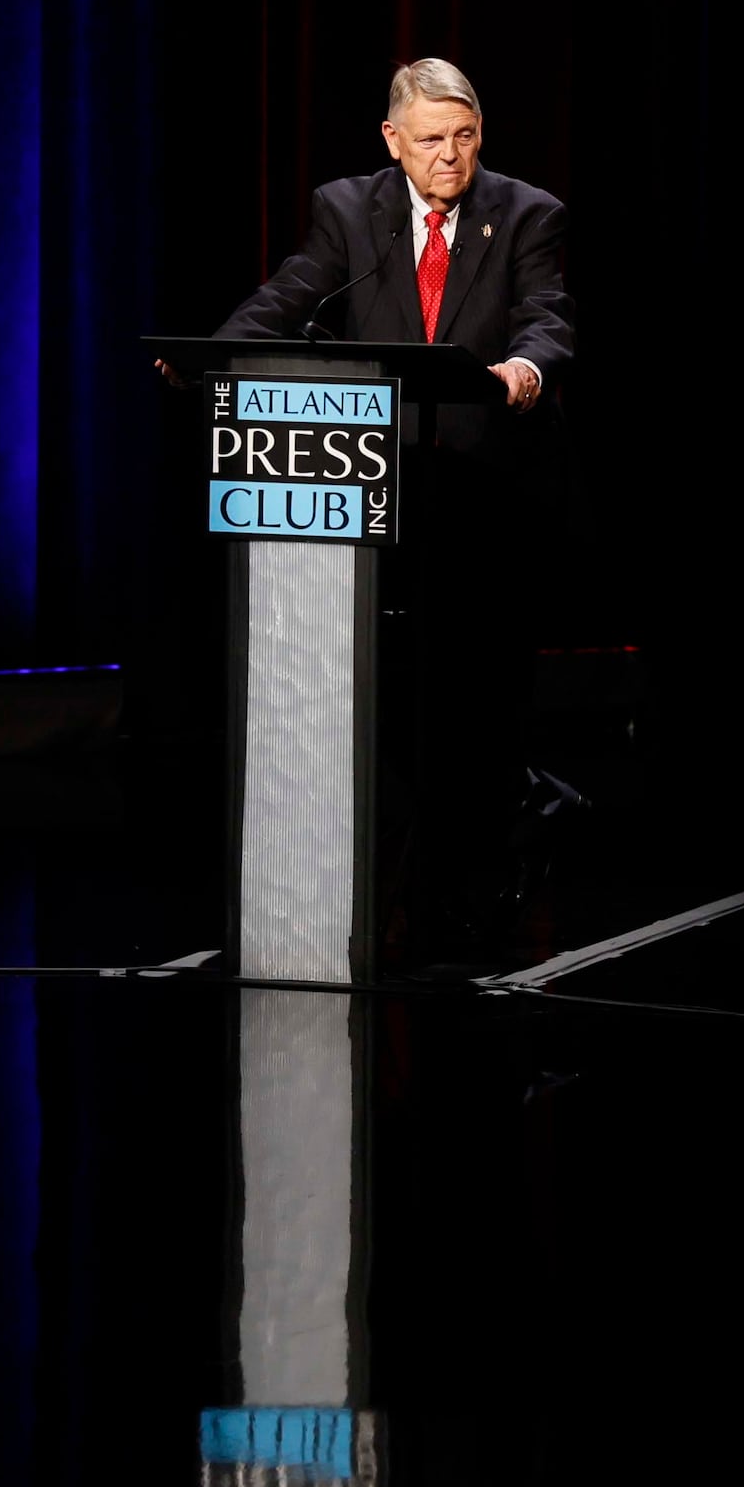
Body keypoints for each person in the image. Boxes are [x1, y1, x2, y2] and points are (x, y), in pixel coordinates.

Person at [212, 59, 576, 959]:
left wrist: (523, 370)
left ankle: (485, 862)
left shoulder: (528, 211)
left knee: (476, 693)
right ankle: (431, 859)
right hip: (379, 495)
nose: (449, 158)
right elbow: (291, 296)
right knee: (397, 690)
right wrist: (211, 358)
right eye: (429, 141)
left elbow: (548, 315)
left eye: (463, 137)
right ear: (392, 141)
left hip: (489, 489)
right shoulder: (350, 210)